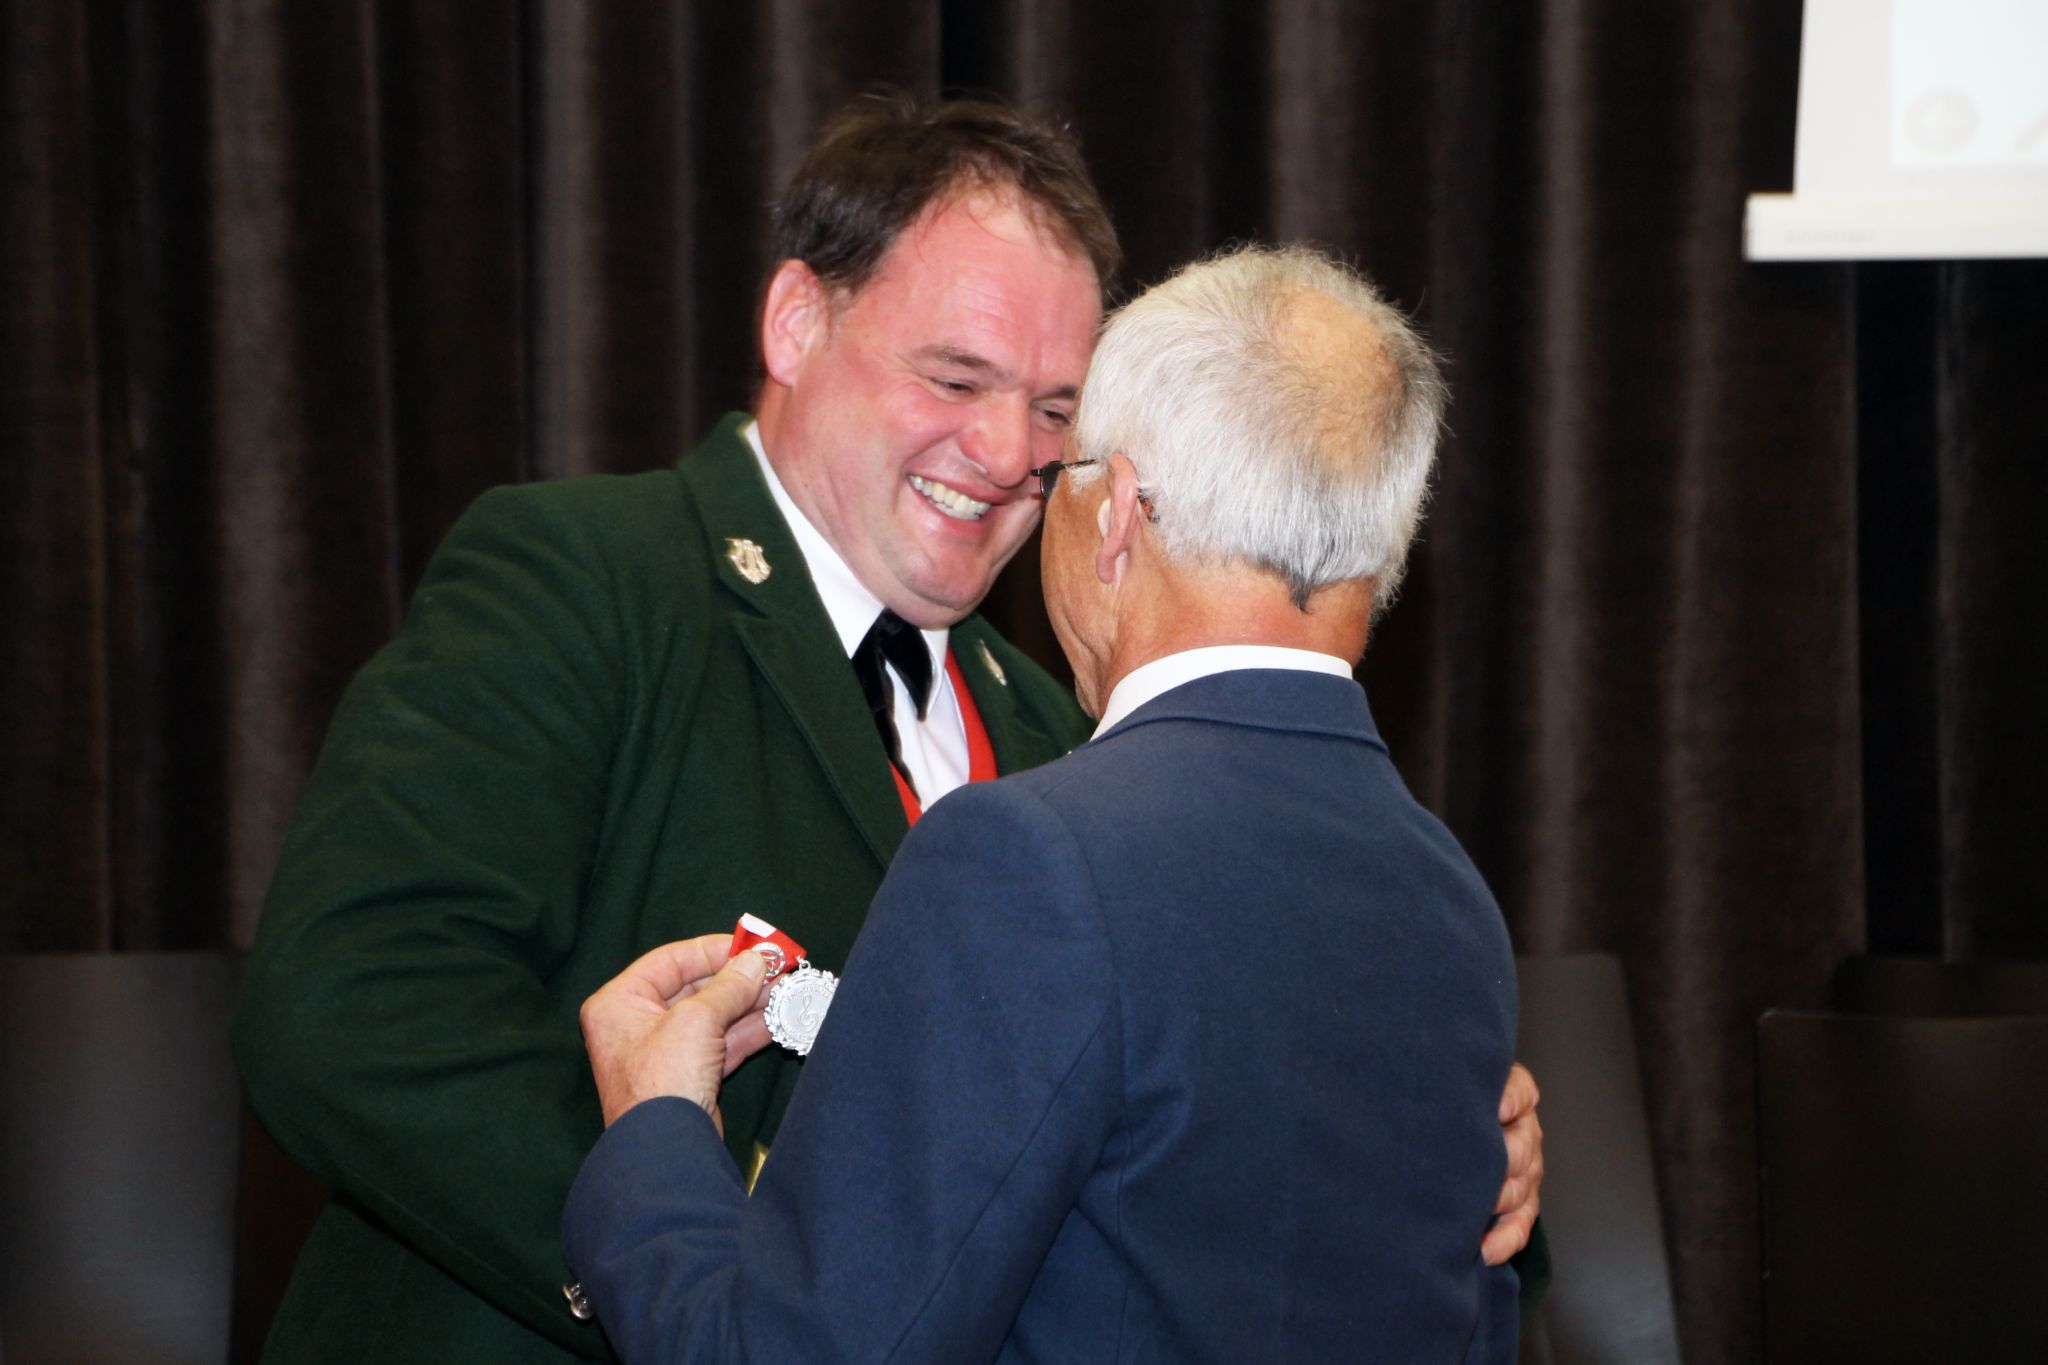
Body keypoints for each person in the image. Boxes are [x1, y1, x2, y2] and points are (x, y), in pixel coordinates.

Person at [234, 95, 1541, 1364]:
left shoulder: (1064, 734)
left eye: (1053, 411)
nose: (1003, 449)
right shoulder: (589, 579)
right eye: (957, 375)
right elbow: (350, 1004)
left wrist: (1457, 1151)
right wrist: (692, 1255)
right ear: (799, 321)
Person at [563, 243, 1524, 1363]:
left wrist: (654, 1136)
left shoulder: (1034, 856)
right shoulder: (1452, 906)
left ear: (1115, 512)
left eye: (1060, 466)